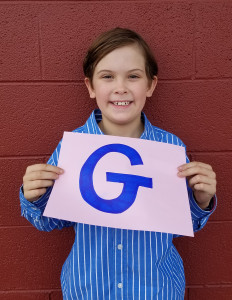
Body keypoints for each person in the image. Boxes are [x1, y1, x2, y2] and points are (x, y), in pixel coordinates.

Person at [20, 28, 217, 299]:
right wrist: (35, 199)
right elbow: (51, 222)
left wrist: (201, 201)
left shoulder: (170, 148)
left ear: (150, 85)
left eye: (133, 76)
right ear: (90, 86)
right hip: (88, 289)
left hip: (156, 288)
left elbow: (183, 225)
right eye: (107, 76)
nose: (120, 87)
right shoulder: (73, 146)